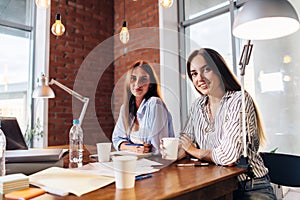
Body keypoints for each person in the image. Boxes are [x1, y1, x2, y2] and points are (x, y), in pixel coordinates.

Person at [178, 48, 276, 199]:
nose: (200, 78)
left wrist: (193, 150)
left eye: (206, 70)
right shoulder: (198, 105)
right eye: (194, 74)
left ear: (219, 70)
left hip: (250, 187)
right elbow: (185, 140)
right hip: (216, 186)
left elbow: (228, 156)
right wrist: (174, 151)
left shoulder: (238, 100)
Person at [112, 60, 174, 154]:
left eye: (143, 79)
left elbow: (157, 149)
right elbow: (117, 139)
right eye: (133, 78)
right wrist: (134, 148)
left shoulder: (155, 104)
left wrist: (133, 147)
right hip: (135, 162)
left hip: (156, 164)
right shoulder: (125, 108)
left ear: (150, 84)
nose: (137, 84)